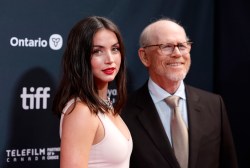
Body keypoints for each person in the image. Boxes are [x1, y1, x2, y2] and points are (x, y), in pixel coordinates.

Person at [121, 18, 238, 168]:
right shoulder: (123, 112)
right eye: (167, 46)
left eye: (182, 46)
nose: (177, 53)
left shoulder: (214, 105)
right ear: (145, 56)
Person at [52, 16, 132, 168]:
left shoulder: (104, 104)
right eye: (97, 51)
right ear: (80, 58)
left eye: (115, 49)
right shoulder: (81, 111)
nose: (110, 59)